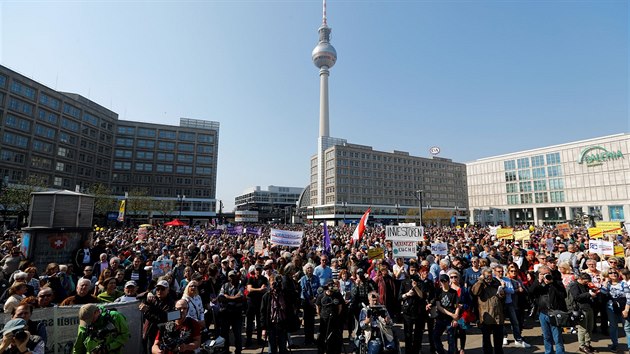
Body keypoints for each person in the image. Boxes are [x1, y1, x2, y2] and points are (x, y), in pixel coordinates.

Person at [528, 265, 566, 354]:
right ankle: (548, 352)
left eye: (548, 273)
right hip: (543, 313)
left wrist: (552, 284)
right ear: (539, 274)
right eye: (544, 274)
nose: (546, 276)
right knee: (546, 336)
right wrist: (538, 281)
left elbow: (563, 295)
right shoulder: (537, 284)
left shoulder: (557, 283)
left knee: (557, 336)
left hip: (555, 313)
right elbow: (530, 292)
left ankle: (560, 352)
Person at [493, 265, 530, 348]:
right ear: (495, 272)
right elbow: (497, 292)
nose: (500, 273)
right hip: (499, 305)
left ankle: (518, 339)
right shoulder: (494, 280)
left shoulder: (507, 279)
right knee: (501, 323)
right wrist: (504, 288)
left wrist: (504, 288)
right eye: (498, 271)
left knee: (515, 322)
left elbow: (511, 290)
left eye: (501, 271)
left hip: (509, 303)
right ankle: (504, 337)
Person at [471, 268, 505, 354]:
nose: (489, 278)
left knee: (498, 340)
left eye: (490, 275)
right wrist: (481, 280)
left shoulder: (496, 283)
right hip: (486, 316)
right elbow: (475, 292)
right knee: (486, 341)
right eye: (487, 276)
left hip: (497, 315)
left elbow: (501, 297)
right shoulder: (480, 284)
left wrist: (502, 293)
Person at [140, 279, 177, 354]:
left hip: (161, 335)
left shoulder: (173, 304)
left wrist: (147, 311)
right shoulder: (153, 298)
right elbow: (138, 296)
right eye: (157, 289)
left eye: (162, 289)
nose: (159, 291)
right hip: (148, 332)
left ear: (168, 290)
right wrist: (148, 293)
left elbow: (162, 319)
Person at [600, 270, 630, 351]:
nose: (613, 274)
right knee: (613, 327)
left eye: (615, 273)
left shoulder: (623, 283)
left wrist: (626, 310)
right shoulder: (607, 284)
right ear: (607, 275)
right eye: (611, 273)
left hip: (623, 307)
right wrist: (605, 282)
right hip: (611, 308)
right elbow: (603, 293)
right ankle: (614, 344)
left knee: (627, 327)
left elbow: (628, 297)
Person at [260, 275, 290, 354]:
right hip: (271, 325)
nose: (275, 286)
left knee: (283, 348)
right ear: (269, 284)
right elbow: (262, 313)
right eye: (273, 284)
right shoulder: (266, 296)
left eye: (277, 284)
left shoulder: (285, 295)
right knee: (272, 349)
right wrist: (263, 328)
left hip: (282, 324)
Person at [570, 273, 598, 354]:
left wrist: (592, 292)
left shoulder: (584, 285)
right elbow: (576, 297)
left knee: (590, 327)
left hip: (589, 307)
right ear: (581, 279)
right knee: (582, 329)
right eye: (585, 282)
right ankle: (582, 346)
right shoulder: (574, 285)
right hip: (581, 310)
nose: (587, 283)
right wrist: (589, 294)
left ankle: (587, 344)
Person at [219, 270, 244, 354]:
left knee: (237, 334)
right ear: (228, 277)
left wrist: (228, 297)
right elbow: (221, 298)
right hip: (226, 313)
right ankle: (226, 350)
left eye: (233, 276)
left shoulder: (240, 286)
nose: (232, 278)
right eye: (230, 276)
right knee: (224, 334)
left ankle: (238, 351)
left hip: (236, 313)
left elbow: (240, 298)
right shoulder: (224, 285)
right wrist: (234, 298)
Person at [433, 274, 459, 354]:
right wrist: (451, 314)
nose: (443, 283)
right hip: (440, 318)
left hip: (450, 320)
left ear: (448, 281)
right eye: (442, 281)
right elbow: (439, 307)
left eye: (445, 281)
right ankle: (441, 351)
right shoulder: (438, 291)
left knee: (451, 340)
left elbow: (457, 306)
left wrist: (455, 318)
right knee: (435, 336)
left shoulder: (453, 292)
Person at [316, 279, 344, 354]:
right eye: (329, 285)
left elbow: (340, 307)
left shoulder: (337, 294)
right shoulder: (321, 295)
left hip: (334, 319)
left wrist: (337, 315)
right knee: (322, 335)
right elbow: (317, 305)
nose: (331, 287)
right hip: (324, 319)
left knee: (335, 336)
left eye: (332, 285)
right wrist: (320, 315)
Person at [245, 264, 268, 347]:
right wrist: (259, 289)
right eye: (257, 269)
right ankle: (248, 339)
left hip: (260, 302)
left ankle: (259, 339)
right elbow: (249, 289)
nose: (258, 271)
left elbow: (264, 289)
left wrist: (256, 290)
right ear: (254, 271)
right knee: (249, 322)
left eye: (259, 269)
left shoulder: (264, 279)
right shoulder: (250, 279)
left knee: (259, 321)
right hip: (251, 302)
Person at [300, 263, 320, 345]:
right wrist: (309, 301)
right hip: (306, 302)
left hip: (314, 301)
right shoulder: (303, 279)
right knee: (307, 322)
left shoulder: (316, 278)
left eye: (311, 268)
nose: (309, 270)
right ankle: (307, 339)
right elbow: (303, 290)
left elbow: (319, 289)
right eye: (308, 268)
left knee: (312, 322)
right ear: (305, 270)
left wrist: (315, 298)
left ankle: (311, 338)